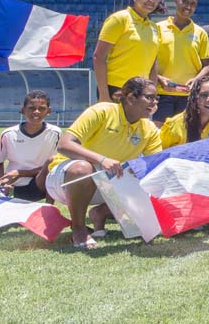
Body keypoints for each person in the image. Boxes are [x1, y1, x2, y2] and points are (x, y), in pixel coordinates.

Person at [46, 77, 162, 248]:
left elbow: (155, 164)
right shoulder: (102, 111)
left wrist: (139, 169)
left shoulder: (149, 129)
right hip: (67, 181)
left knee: (149, 177)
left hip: (107, 184)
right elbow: (64, 145)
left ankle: (101, 213)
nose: (154, 103)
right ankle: (78, 229)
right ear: (130, 98)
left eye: (156, 98)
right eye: (149, 97)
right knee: (83, 168)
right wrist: (101, 159)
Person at [159, 76, 209, 197]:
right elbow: (161, 155)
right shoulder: (175, 124)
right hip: (175, 171)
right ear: (195, 98)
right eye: (204, 95)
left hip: (201, 167)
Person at [93, 0, 161, 101]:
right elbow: (98, 57)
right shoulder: (119, 19)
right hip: (116, 89)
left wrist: (152, 93)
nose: (152, 0)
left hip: (141, 92)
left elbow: (153, 63)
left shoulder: (154, 27)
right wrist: (104, 94)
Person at [155, 0, 209, 125]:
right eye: (185, 1)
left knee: (185, 140)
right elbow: (148, 60)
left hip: (188, 96)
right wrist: (158, 77)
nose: (188, 6)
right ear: (176, 1)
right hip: (162, 94)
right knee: (159, 139)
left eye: (193, 4)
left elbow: (207, 66)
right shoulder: (157, 28)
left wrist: (196, 80)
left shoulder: (200, 33)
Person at [0, 90, 61, 202]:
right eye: (31, 108)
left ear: (49, 111)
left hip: (40, 185)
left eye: (42, 108)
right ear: (23, 110)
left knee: (53, 167)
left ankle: (49, 210)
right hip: (13, 187)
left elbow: (52, 166)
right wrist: (4, 181)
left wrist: (20, 173)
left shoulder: (55, 133)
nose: (36, 112)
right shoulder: (8, 134)